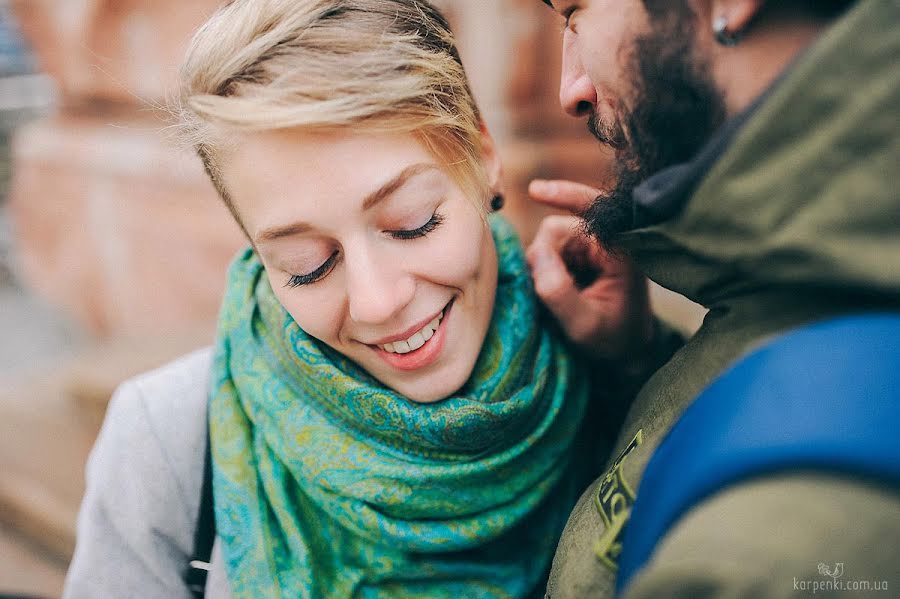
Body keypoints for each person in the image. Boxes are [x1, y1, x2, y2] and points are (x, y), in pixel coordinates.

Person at [62, 1, 614, 597]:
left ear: (482, 161)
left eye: (413, 224)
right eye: (308, 267)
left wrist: (629, 360)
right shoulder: (164, 442)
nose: (377, 302)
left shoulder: (606, 366)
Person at [526, 0, 900, 596]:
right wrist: (637, 365)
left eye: (575, 12)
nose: (569, 89)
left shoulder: (781, 551)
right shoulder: (802, 283)